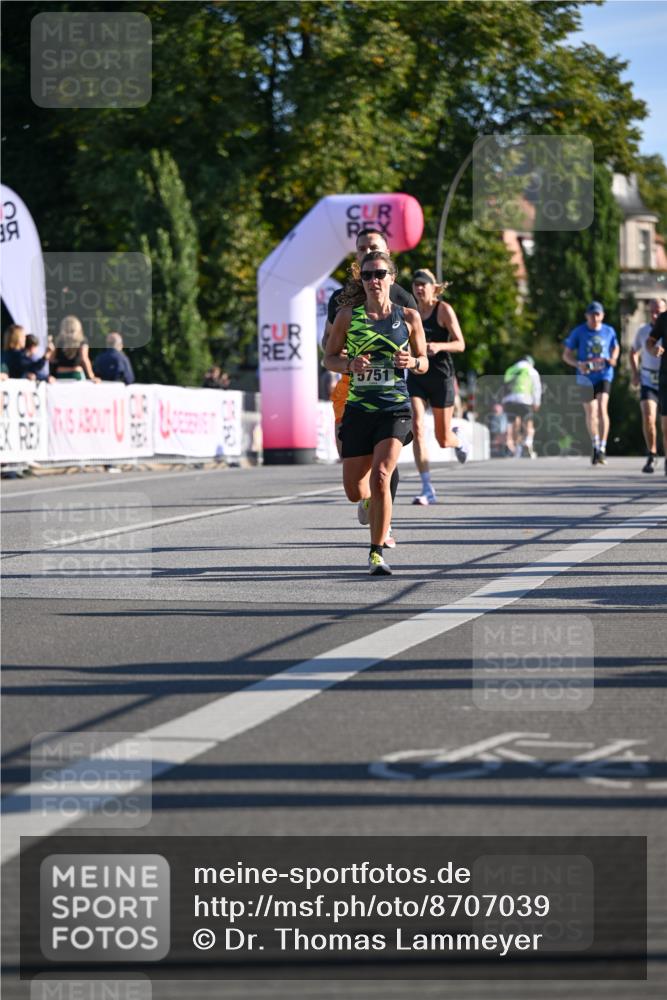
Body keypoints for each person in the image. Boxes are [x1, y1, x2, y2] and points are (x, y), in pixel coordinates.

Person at [324, 251, 428, 575]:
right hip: (358, 409)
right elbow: (329, 358)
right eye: (367, 275)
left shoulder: (408, 317)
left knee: (382, 474)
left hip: (394, 409)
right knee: (354, 491)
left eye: (380, 274)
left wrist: (412, 361)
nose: (373, 281)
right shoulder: (347, 316)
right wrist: (349, 364)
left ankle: (376, 552)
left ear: (391, 278)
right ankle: (368, 502)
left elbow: (424, 361)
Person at [408, 268, 467, 505]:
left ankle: (458, 440)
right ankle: (426, 487)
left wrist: (440, 346)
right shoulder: (410, 312)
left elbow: (461, 344)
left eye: (423, 284)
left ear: (434, 288)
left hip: (441, 377)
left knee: (443, 439)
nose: (419, 288)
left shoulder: (443, 310)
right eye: (415, 284)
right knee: (417, 426)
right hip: (417, 376)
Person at [562, 302, 620, 466]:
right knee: (591, 412)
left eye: (597, 314)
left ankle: (603, 447)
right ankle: (595, 444)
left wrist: (613, 358)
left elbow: (616, 347)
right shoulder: (579, 331)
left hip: (604, 374)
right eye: (592, 315)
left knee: (602, 408)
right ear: (586, 316)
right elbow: (566, 355)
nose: (595, 318)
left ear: (602, 316)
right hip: (585, 377)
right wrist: (578, 364)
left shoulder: (609, 331)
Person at [630, 297, 666, 473]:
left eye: (658, 311)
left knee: (664, 423)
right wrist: (635, 373)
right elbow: (633, 352)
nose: (654, 315)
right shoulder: (643, 331)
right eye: (651, 311)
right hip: (648, 379)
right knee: (648, 416)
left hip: (664, 378)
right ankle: (652, 454)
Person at [502, 354, 542, 459]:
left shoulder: (510, 369)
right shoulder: (531, 370)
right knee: (528, 423)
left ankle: (517, 449)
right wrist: (537, 402)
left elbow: (505, 385)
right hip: (525, 399)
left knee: (515, 424)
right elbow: (536, 387)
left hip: (509, 400)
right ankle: (528, 442)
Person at [646, 308, 667, 476]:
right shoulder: (664, 318)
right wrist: (653, 350)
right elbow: (650, 341)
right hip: (666, 375)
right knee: (666, 424)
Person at [52, 316, 98, 381]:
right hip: (76, 372)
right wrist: (91, 376)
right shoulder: (82, 341)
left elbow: (52, 359)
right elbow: (84, 358)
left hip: (61, 372)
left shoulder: (59, 341)